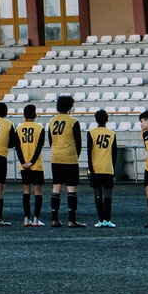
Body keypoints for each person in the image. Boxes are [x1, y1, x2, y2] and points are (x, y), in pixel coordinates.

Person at [46, 95, 84, 229]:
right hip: (69, 157)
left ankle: (54, 219)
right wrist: (75, 155)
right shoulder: (73, 121)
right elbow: (78, 142)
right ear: (70, 107)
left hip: (55, 156)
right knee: (71, 188)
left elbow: (50, 141)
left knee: (56, 187)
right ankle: (71, 220)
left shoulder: (51, 121)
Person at [14, 104, 46, 227]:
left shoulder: (19, 128)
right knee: (38, 191)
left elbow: (17, 148)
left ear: (24, 116)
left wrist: (23, 163)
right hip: (36, 165)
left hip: (24, 165)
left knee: (26, 191)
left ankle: (26, 218)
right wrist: (32, 162)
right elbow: (39, 147)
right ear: (36, 115)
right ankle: (36, 219)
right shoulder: (40, 128)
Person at [87, 109, 118, 228]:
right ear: (107, 120)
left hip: (96, 167)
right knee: (108, 194)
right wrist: (113, 168)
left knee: (97, 194)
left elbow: (89, 151)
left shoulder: (91, 133)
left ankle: (101, 220)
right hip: (108, 168)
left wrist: (90, 167)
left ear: (96, 120)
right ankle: (108, 219)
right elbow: (114, 153)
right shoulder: (112, 133)